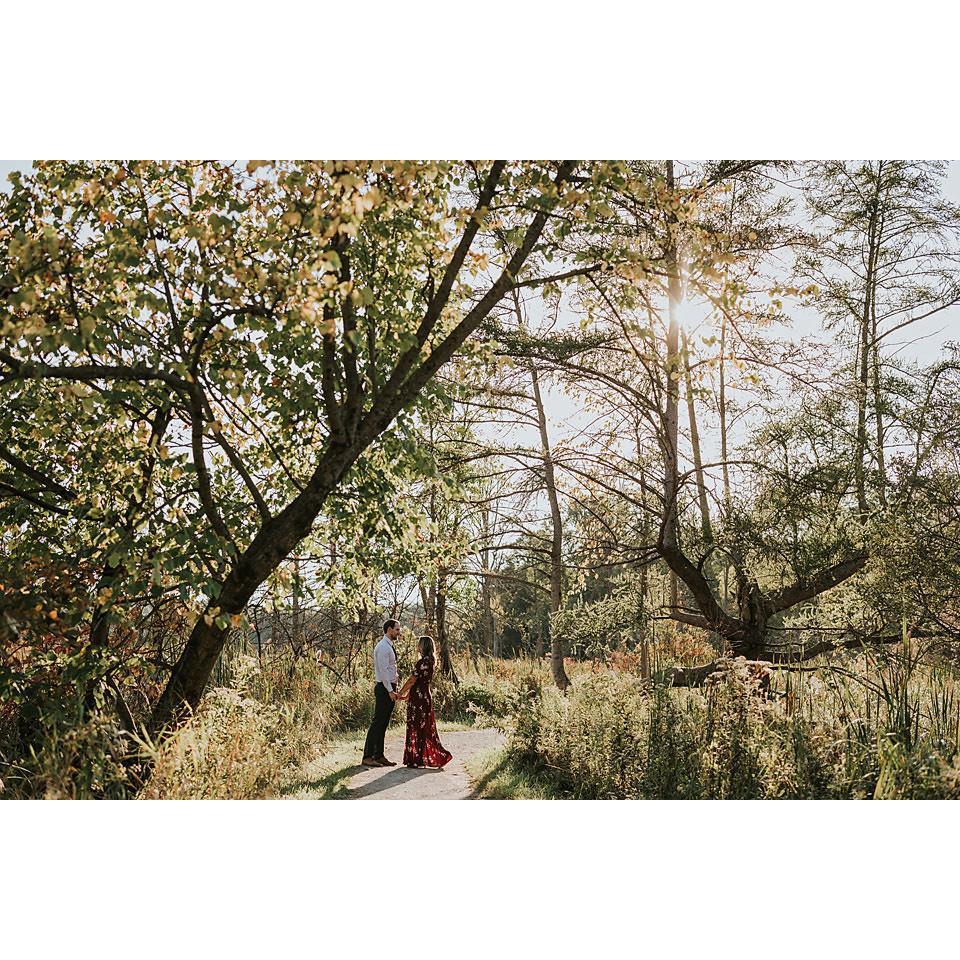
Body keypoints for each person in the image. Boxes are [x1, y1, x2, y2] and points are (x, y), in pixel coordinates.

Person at [396, 635, 452, 769]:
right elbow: (421, 682)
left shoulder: (422, 663)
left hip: (418, 699)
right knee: (424, 727)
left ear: (424, 646)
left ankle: (417, 758)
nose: (418, 646)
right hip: (424, 696)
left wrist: (400, 692)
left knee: (416, 726)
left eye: (419, 644)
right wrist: (408, 695)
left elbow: (412, 680)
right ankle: (420, 758)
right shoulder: (430, 661)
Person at [361, 619, 401, 767]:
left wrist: (394, 687)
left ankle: (379, 755)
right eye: (397, 629)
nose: (399, 632)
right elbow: (383, 672)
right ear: (389, 629)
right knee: (378, 722)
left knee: (383, 723)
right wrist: (390, 690)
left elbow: (391, 669)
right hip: (384, 688)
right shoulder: (383, 647)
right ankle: (368, 756)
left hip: (389, 687)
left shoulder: (388, 646)